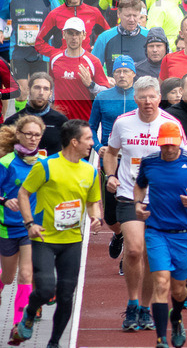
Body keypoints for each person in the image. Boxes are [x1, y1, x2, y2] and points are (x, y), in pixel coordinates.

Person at [8, 120, 102, 347]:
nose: (92, 143)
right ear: (74, 142)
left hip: (72, 241)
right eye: (89, 139)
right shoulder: (46, 166)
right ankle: (29, 314)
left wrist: (95, 216)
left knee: (67, 295)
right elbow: (23, 193)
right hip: (44, 239)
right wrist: (29, 223)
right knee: (46, 288)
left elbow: (93, 201)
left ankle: (54, 342)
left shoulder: (90, 170)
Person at [104, 77, 186, 332]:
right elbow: (110, 152)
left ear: (159, 97)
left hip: (161, 200)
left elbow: (184, 157)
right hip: (130, 194)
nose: (148, 102)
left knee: (152, 257)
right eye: (143, 97)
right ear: (136, 98)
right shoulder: (123, 122)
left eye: (152, 96)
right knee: (133, 250)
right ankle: (132, 302)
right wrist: (110, 175)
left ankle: (145, 308)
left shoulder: (171, 124)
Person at [134, 121, 187, 348]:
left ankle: (176, 316)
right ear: (159, 144)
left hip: (185, 233)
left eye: (172, 145)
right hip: (156, 231)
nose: (168, 150)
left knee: (178, 289)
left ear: (180, 143)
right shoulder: (149, 162)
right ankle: (161, 338)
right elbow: (140, 185)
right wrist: (138, 203)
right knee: (161, 282)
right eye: (164, 145)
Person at [0, 116, 46, 326]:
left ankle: (20, 323)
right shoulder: (6, 162)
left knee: (26, 275)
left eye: (37, 135)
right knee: (8, 277)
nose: (33, 138)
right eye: (28, 134)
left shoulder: (44, 164)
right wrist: (5, 200)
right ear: (19, 134)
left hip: (31, 227)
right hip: (7, 228)